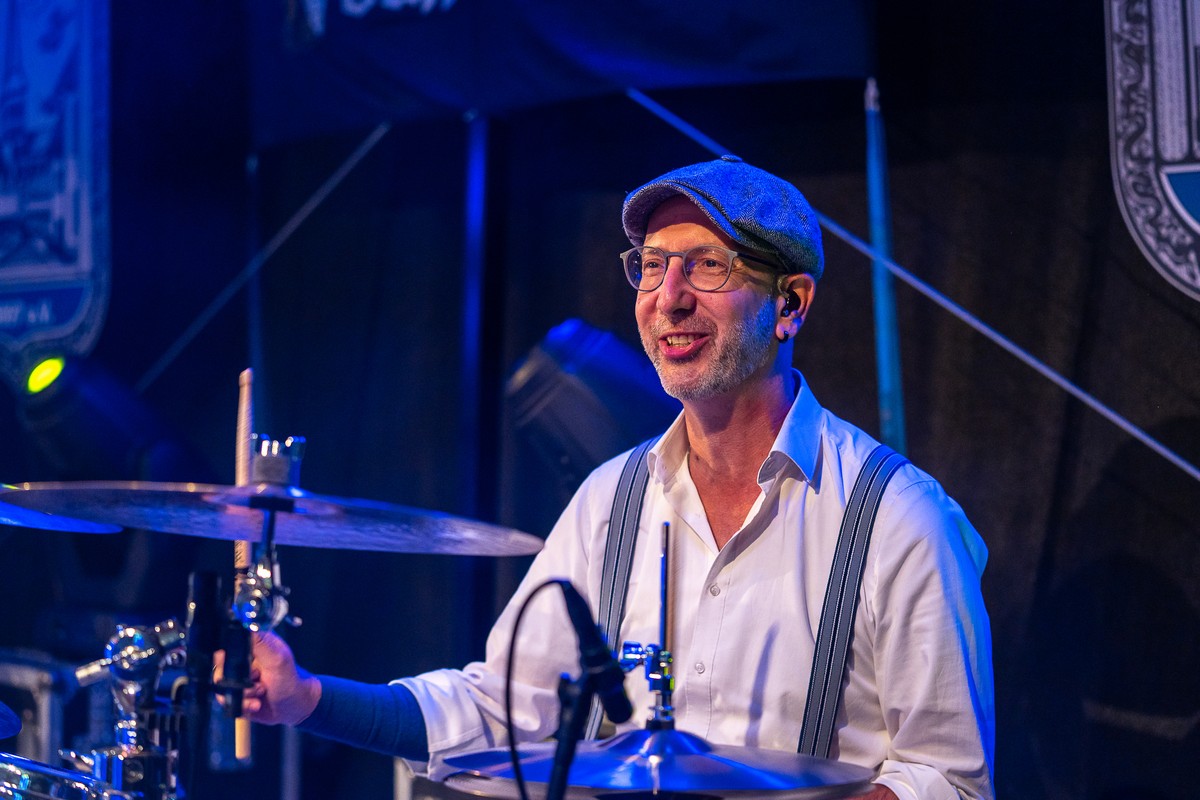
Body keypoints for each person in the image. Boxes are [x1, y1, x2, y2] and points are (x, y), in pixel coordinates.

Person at [234, 156, 995, 800]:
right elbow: (503, 713)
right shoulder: (611, 501)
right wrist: (308, 698)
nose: (669, 297)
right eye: (653, 266)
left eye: (708, 265)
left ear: (789, 305)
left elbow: (949, 779)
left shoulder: (898, 517)